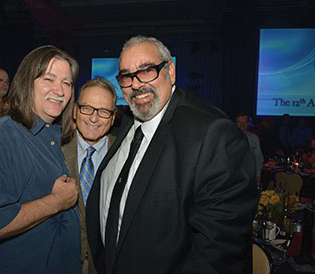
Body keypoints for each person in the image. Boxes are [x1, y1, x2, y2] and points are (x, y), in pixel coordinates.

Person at [85, 36, 258, 274]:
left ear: (171, 71)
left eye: (147, 71)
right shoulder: (129, 120)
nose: (136, 84)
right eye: (126, 76)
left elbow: (218, 255)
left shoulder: (212, 133)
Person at [0, 45, 81, 274]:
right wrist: (56, 201)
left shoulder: (53, 136)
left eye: (67, 83)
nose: (60, 90)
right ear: (27, 82)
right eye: (49, 79)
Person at [62, 77, 117, 274]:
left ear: (112, 117)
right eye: (87, 108)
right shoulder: (53, 150)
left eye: (103, 111)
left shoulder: (126, 154)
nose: (94, 118)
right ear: (75, 111)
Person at [235, 114, 264, 183]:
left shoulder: (254, 138)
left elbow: (258, 157)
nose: (242, 124)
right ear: (235, 123)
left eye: (244, 122)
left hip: (250, 175)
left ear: (248, 123)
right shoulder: (229, 138)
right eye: (239, 122)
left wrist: (258, 174)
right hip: (234, 176)